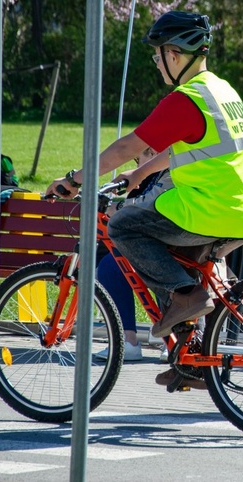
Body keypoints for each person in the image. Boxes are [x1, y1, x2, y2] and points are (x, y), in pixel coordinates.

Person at [46, 10, 243, 388]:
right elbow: (185, 147)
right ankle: (192, 359)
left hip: (210, 208)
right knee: (172, 262)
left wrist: (74, 179)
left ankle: (185, 297)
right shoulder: (220, 90)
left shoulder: (185, 100)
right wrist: (139, 174)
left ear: (174, 55)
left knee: (124, 225)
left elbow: (127, 147)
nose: (157, 62)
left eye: (158, 55)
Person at [93, 146, 171, 363]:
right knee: (111, 265)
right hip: (145, 246)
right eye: (145, 155)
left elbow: (152, 205)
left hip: (177, 245)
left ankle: (173, 339)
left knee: (164, 268)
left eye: (155, 154)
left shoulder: (174, 174)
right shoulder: (143, 182)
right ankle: (127, 341)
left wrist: (119, 207)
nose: (150, 159)